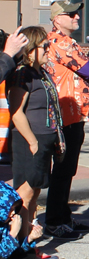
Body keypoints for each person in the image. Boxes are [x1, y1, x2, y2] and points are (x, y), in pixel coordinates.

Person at [45, 0, 89, 240]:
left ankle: (62, 217)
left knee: (66, 168)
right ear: (57, 19)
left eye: (77, 14)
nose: (77, 17)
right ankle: (56, 221)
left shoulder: (60, 41)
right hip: (67, 113)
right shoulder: (61, 42)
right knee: (64, 169)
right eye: (71, 14)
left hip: (69, 112)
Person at [8, 27, 64, 239]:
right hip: (29, 142)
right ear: (30, 50)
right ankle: (14, 241)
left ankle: (28, 238)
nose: (49, 50)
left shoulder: (41, 73)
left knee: (35, 192)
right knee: (25, 193)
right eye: (44, 46)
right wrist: (33, 142)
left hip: (44, 140)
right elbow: (17, 112)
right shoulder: (23, 73)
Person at [0, 180, 49, 259]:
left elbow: (14, 251)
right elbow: (2, 254)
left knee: (28, 254)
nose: (13, 213)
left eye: (14, 209)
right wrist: (13, 234)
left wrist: (30, 238)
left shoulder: (4, 224)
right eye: (10, 209)